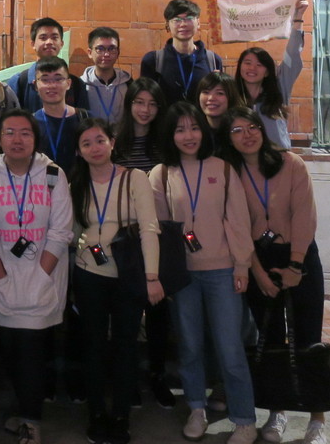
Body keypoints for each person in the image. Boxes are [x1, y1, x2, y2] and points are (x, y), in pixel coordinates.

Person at [150, 102, 255, 444]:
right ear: (171, 135)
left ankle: (244, 419)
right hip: (183, 278)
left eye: (193, 128)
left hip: (222, 271)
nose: (188, 135)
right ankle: (197, 408)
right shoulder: (161, 174)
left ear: (203, 131)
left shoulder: (222, 169)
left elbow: (238, 220)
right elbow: (161, 232)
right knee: (190, 347)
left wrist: (242, 264)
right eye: (179, 129)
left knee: (230, 349)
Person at [222, 107, 326, 444]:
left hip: (299, 256)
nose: (247, 134)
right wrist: (258, 274)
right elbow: (236, 227)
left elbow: (304, 216)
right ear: (228, 139)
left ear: (263, 130)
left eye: (252, 126)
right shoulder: (231, 173)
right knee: (272, 340)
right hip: (257, 260)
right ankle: (277, 412)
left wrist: (295, 267)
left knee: (309, 338)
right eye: (237, 130)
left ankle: (317, 419)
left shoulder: (291, 163)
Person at [0, 109, 73, 444]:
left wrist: (41, 274)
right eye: (9, 132)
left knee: (33, 352)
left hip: (43, 279)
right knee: (10, 351)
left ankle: (32, 421)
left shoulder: (52, 174)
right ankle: (21, 410)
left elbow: (61, 231)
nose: (17, 140)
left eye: (25, 133)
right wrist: (2, 276)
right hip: (3, 278)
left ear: (35, 138)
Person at [71, 118, 163, 444]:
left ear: (111, 142)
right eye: (86, 143)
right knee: (93, 346)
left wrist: (152, 277)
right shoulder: (77, 183)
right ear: (79, 152)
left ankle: (121, 414)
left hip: (128, 274)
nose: (94, 148)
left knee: (125, 346)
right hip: (88, 274)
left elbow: (150, 229)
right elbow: (70, 230)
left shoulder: (135, 178)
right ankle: (97, 413)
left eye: (99, 140)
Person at [111, 76, 175, 408]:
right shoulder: (115, 142)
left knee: (159, 312)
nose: (146, 110)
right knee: (127, 314)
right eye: (139, 102)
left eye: (152, 104)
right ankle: (128, 377)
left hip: (158, 236)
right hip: (123, 238)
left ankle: (157, 375)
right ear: (129, 104)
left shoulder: (165, 145)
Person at [235, 0, 308, 149]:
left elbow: (293, 55)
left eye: (259, 64)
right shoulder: (232, 94)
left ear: (267, 71)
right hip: (244, 161)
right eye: (247, 63)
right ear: (240, 67)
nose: (252, 68)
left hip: (277, 159)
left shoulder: (279, 89)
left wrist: (298, 17)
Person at [139, 0, 223, 107]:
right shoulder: (153, 61)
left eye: (189, 18)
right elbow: (146, 101)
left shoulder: (213, 60)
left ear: (198, 23)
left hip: (201, 123)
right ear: (168, 25)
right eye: (176, 19)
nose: (183, 24)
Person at [6, 17, 85, 111]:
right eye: (43, 38)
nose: (49, 42)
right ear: (33, 44)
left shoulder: (76, 84)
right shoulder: (19, 82)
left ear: (62, 43)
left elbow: (83, 122)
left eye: (54, 37)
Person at [31, 56, 90, 174]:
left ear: (68, 83)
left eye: (58, 79)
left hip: (77, 188)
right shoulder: (29, 123)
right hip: (40, 189)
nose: (52, 85)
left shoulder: (86, 119)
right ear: (35, 85)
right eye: (45, 79)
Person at [80, 27, 132, 124]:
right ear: (90, 53)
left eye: (112, 49)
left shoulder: (128, 83)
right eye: (100, 49)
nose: (106, 54)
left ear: (118, 53)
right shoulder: (81, 85)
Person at [196, 71, 244, 140]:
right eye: (206, 92)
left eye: (219, 93)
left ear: (231, 97)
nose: (211, 98)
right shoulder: (195, 131)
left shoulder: (240, 130)